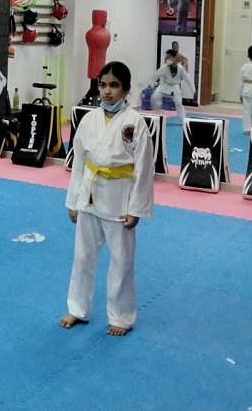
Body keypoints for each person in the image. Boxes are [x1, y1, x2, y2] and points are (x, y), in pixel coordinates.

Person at [59, 61, 154, 336]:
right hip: (89, 196)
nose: (107, 91)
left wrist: (136, 209)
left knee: (122, 261)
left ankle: (121, 316)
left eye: (114, 85)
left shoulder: (135, 123)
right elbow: (78, 163)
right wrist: (73, 201)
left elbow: (144, 169)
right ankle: (78, 308)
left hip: (119, 200)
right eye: (103, 85)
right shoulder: (89, 120)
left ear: (126, 89)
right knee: (82, 257)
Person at [151, 49, 194, 125]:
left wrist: (192, 87)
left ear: (174, 58)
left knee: (178, 103)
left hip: (175, 87)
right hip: (163, 86)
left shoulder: (180, 68)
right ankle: (161, 117)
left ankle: (183, 120)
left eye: (169, 57)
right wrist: (147, 83)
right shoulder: (164, 68)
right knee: (155, 97)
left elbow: (187, 78)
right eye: (167, 57)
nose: (168, 59)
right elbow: (155, 76)